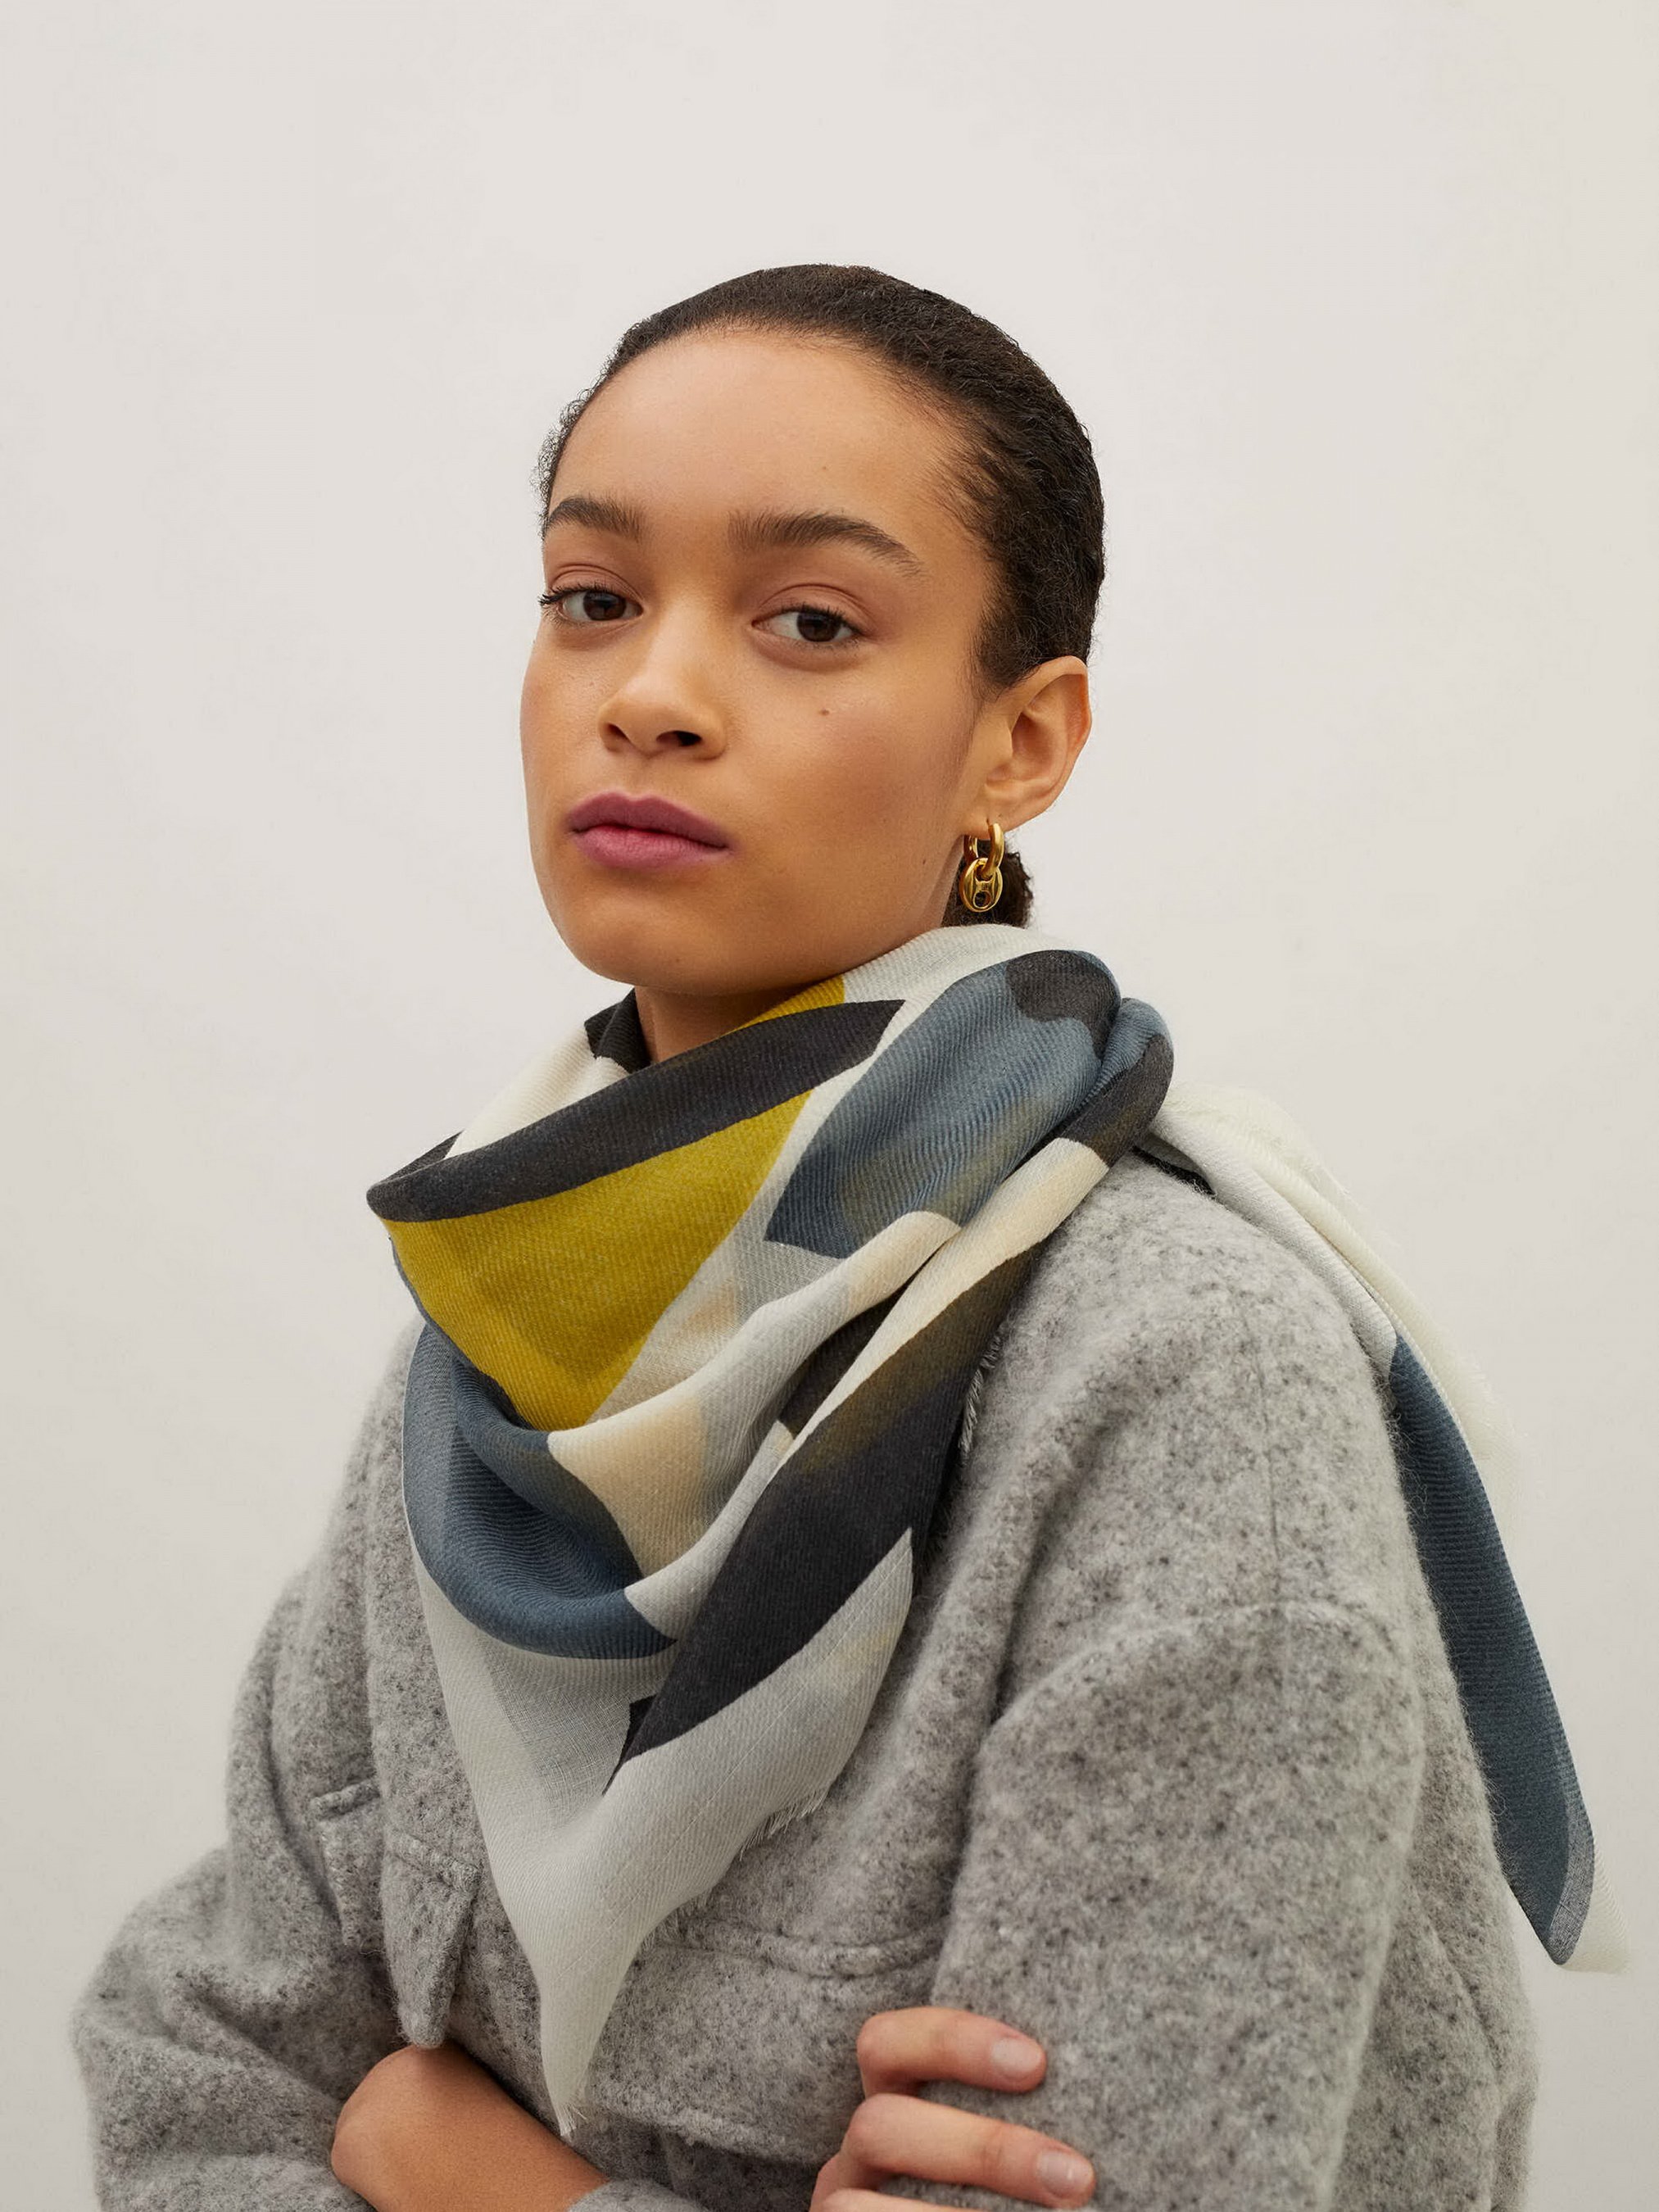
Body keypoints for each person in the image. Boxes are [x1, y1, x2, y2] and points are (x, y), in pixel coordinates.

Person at [75, 264, 1553, 2211]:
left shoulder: (1177, 1380)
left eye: (808, 621)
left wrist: (447, 2158)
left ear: (1020, 742)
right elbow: (185, 2071)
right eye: (592, 597)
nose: (650, 694)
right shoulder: (506, 1352)